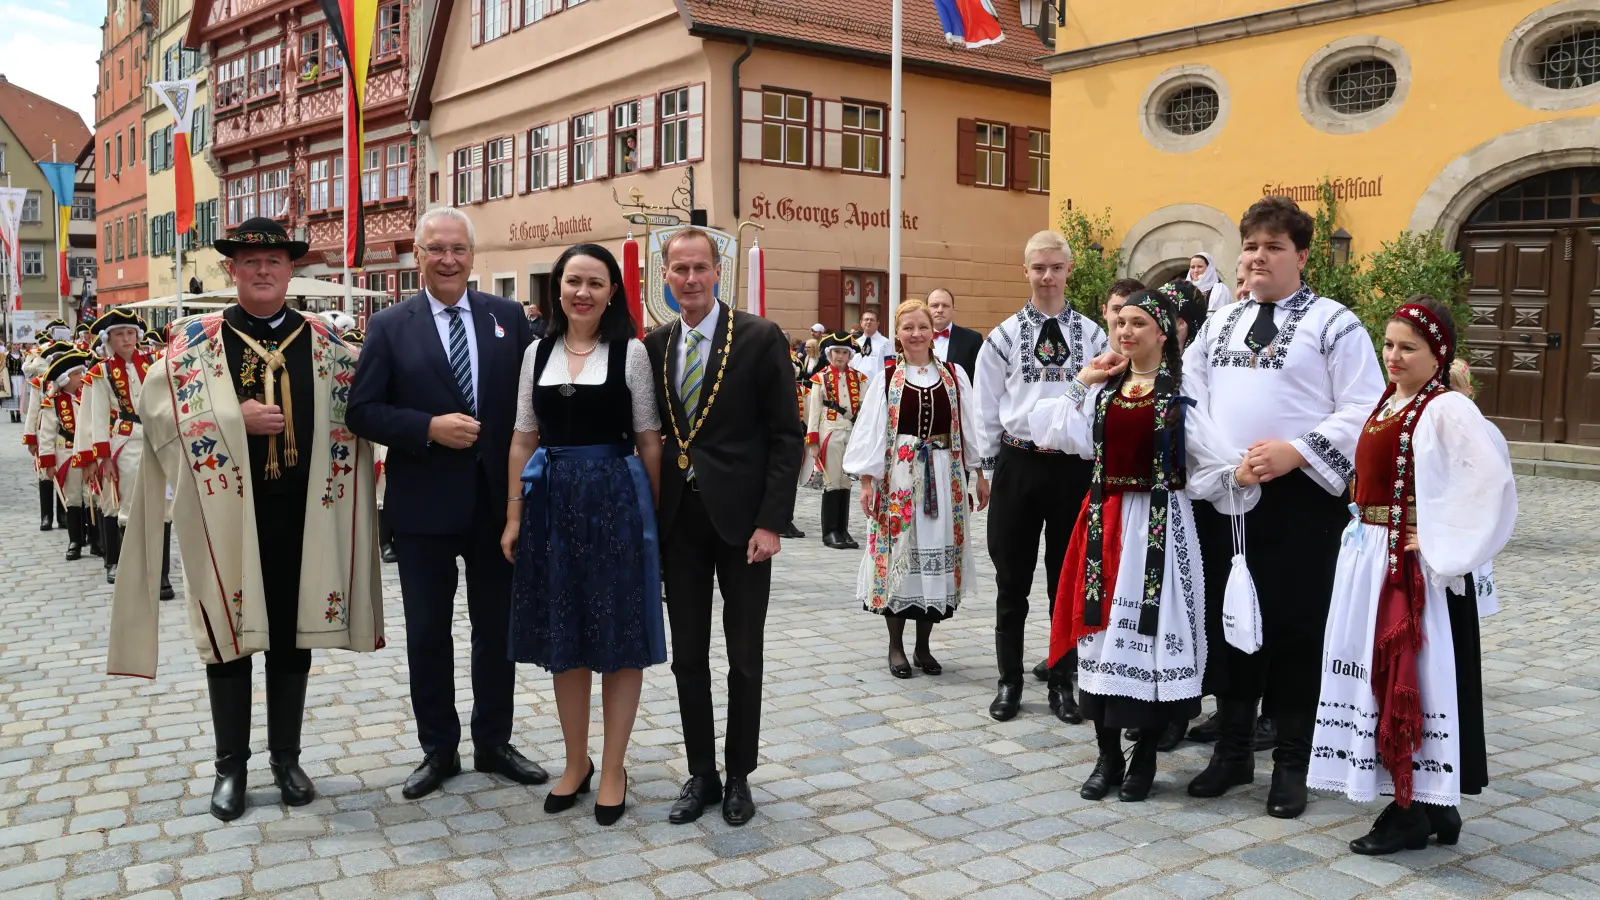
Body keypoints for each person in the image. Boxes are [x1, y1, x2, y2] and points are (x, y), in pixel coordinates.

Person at [105, 217, 385, 822]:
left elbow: (370, 408)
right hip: (224, 514)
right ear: (232, 270)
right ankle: (231, 766)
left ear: (291, 269)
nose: (263, 270)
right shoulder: (192, 342)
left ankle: (286, 757)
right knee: (227, 637)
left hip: (307, 513)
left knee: (292, 632)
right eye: (251, 262)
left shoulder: (329, 343)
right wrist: (236, 419)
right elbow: (154, 419)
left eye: (275, 261)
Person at [1183, 196, 1385, 819]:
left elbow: (1365, 407)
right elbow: (1191, 398)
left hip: (1302, 500)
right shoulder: (1219, 325)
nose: (1258, 257)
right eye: (1250, 247)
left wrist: (1297, 451)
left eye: (1273, 247)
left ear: (1301, 256)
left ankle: (1293, 761)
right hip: (1230, 491)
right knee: (1231, 623)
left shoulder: (1335, 324)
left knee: (1297, 629)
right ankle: (1234, 750)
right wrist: (1225, 464)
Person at [347, 206, 548, 800]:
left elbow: (537, 400)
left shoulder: (508, 317)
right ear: (418, 252)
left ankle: (494, 742)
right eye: (436, 248)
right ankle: (438, 749)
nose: (448, 259)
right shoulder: (390, 326)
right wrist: (427, 427)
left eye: (458, 249)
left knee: (496, 631)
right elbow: (361, 412)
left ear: (473, 254)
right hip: (423, 508)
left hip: (496, 508)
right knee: (428, 634)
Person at [1029, 289, 1255, 802]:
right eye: (1120, 323)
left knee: (1151, 642)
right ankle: (1107, 756)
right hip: (1103, 523)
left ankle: (1144, 758)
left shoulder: (1178, 395)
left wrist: (1238, 473)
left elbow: (1209, 460)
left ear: (1162, 331)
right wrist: (1081, 380)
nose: (1125, 332)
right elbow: (1051, 431)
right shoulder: (1105, 390)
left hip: (1159, 524)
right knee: (1100, 634)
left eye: (1137, 324)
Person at [1308, 297, 1515, 854]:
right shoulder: (1390, 400)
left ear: (1437, 353)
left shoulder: (1445, 407)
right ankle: (1435, 806)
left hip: (1412, 570)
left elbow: (1490, 479)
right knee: (1383, 670)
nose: (1394, 356)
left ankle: (1410, 811)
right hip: (1371, 554)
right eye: (1389, 344)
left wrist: (1445, 538)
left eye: (1408, 348)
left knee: (1415, 674)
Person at [643, 227, 804, 827]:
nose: (689, 279)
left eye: (699, 268)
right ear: (666, 275)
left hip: (743, 527)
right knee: (688, 656)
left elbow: (786, 438)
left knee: (743, 656)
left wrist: (771, 522)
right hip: (679, 524)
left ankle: (739, 775)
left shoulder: (759, 338)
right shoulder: (654, 345)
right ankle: (701, 772)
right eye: (678, 269)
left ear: (719, 272)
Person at [501, 243, 664, 827]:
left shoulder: (632, 354)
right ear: (558, 288)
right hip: (551, 505)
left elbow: (648, 439)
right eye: (574, 281)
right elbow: (523, 437)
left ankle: (614, 766)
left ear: (612, 292)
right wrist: (514, 515)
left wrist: (653, 520)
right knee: (565, 642)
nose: (583, 292)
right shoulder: (534, 352)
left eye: (596, 283)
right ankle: (576, 761)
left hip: (616, 501)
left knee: (618, 641)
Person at [974, 229, 1110, 724]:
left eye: (1055, 267)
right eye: (1038, 267)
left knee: (1065, 579)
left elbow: (1101, 403)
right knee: (1011, 578)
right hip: (1018, 462)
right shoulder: (1003, 337)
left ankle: (1061, 681)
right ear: (1025, 271)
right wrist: (985, 470)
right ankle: (1009, 681)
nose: (1047, 276)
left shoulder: (1095, 335)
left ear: (1069, 270)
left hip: (1071, 468)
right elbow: (986, 408)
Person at [846, 298, 985, 679]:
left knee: (935, 556)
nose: (916, 334)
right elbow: (872, 432)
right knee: (899, 556)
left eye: (922, 326)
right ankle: (896, 646)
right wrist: (866, 484)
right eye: (908, 327)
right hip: (900, 478)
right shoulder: (888, 378)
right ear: (898, 333)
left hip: (944, 475)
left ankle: (924, 646)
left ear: (932, 330)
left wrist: (980, 476)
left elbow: (970, 429)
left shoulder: (955, 375)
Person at [77, 308, 158, 585]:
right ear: (108, 339)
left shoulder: (154, 363)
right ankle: (117, 560)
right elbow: (97, 416)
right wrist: (102, 457)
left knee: (161, 501)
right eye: (119, 334)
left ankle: (157, 567)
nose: (126, 339)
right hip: (124, 439)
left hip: (155, 436)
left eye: (130, 333)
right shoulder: (101, 372)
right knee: (121, 501)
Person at [806, 332, 867, 550]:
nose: (840, 356)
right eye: (836, 352)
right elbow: (813, 411)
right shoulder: (820, 378)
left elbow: (864, 409)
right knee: (832, 480)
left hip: (851, 432)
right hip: (829, 431)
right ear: (829, 354)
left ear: (850, 355)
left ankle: (843, 529)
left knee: (846, 480)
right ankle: (830, 531)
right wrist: (812, 440)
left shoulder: (859, 378)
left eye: (844, 352)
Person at [36, 349, 94, 560]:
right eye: (77, 373)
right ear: (65, 378)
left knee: (92, 496)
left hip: (89, 453)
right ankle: (75, 540)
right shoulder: (53, 402)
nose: (82, 377)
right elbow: (47, 435)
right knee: (74, 497)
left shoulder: (87, 395)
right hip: (68, 453)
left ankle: (96, 540)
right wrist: (48, 462)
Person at [926, 288, 983, 381]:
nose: (940, 310)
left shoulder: (972, 339)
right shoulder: (917, 338)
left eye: (945, 306)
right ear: (926, 309)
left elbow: (979, 379)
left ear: (953, 308)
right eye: (935, 305)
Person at [849, 310, 893, 375]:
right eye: (866, 319)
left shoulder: (886, 343)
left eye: (872, 320)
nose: (868, 322)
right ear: (861, 322)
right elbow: (850, 365)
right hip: (857, 383)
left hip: (877, 384)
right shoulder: (855, 343)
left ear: (878, 323)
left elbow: (890, 368)